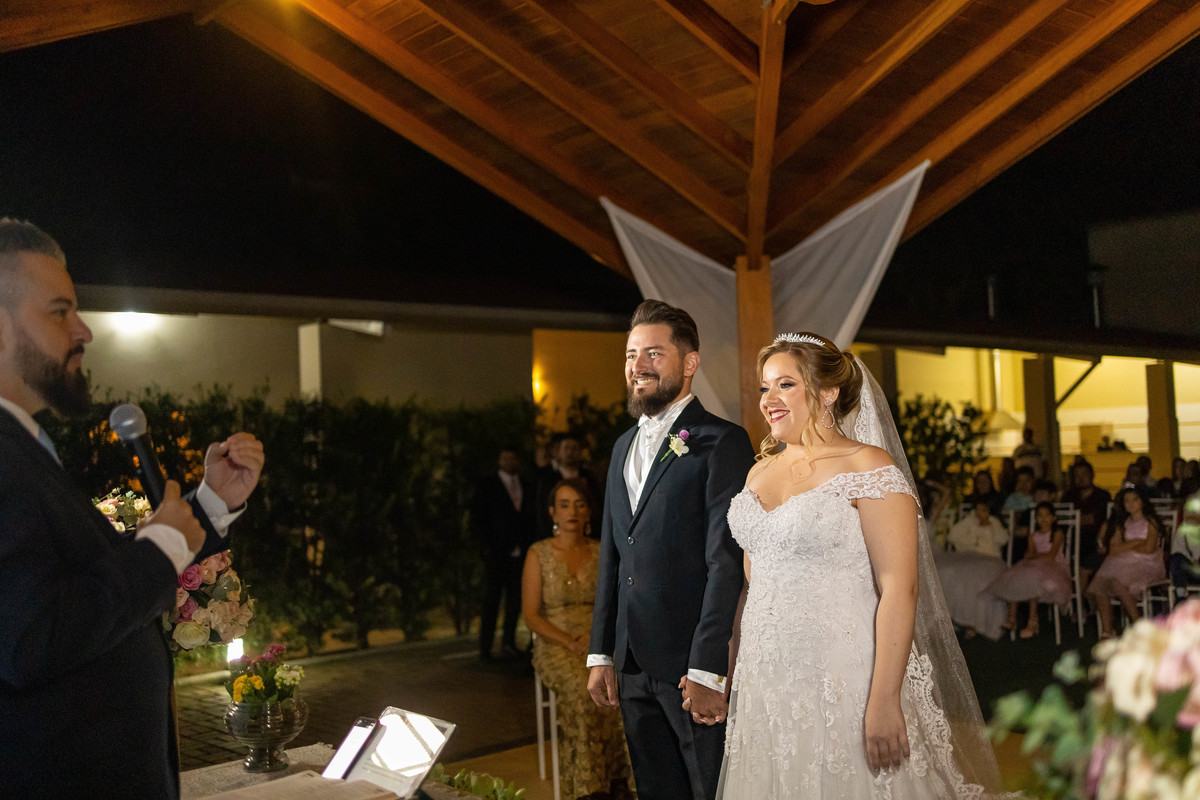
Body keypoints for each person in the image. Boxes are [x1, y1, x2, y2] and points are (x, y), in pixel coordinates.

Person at [0, 218, 265, 798]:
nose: (84, 331)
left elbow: (86, 582)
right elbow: (31, 637)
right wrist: (161, 546)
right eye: (58, 312)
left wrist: (210, 503)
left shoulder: (25, 449)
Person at [718, 332, 1001, 798]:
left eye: (786, 384)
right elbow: (756, 582)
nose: (769, 399)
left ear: (827, 392)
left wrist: (885, 698)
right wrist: (727, 662)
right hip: (767, 674)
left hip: (843, 673)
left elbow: (899, 588)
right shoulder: (758, 471)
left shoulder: (866, 465)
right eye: (765, 387)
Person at [587, 299, 754, 800]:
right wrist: (601, 651)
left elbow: (725, 564)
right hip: (631, 661)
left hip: (689, 668)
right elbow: (613, 557)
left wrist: (708, 667)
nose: (638, 366)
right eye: (631, 354)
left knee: (708, 788)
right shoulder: (620, 447)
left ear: (690, 362)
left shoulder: (722, 442)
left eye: (654, 353)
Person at [523, 479, 632, 800]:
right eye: (565, 504)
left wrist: (599, 639)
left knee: (626, 688)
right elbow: (531, 615)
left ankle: (624, 782)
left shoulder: (603, 550)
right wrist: (569, 640)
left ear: (590, 511)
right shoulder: (538, 553)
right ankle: (590, 790)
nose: (573, 511)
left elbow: (617, 602)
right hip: (555, 643)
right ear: (553, 512)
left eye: (580, 504)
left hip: (601, 640)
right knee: (581, 692)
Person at [473, 447, 534, 660]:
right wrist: (486, 549)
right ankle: (485, 647)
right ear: (499, 460)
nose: (509, 461)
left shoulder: (526, 484)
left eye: (513, 457)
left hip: (520, 553)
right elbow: (479, 518)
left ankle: (508, 642)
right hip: (497, 553)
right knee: (491, 600)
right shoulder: (488, 484)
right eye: (505, 458)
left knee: (515, 600)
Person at [1086, 485, 1166, 639]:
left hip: (1148, 563)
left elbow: (1149, 549)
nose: (1130, 503)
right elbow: (1114, 550)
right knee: (1100, 584)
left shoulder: (1151, 522)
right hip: (1123, 562)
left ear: (1142, 501)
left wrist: (1126, 546)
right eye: (1126, 501)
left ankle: (1138, 624)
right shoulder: (1121, 523)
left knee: (1116, 582)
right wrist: (1137, 542)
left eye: (1135, 499)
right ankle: (1108, 630)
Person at [987, 502, 1072, 638]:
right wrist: (1032, 556)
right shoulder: (1033, 535)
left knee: (1032, 579)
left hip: (1053, 567)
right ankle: (1012, 617)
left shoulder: (1057, 533)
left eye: (1047, 515)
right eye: (1040, 516)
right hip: (1036, 566)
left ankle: (1032, 621)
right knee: (1018, 577)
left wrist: (1033, 556)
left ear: (1053, 517)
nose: (1043, 519)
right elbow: (1029, 553)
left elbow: (1051, 555)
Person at [936, 499, 1011, 640]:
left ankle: (974, 622)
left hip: (990, 558)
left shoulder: (994, 522)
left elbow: (1003, 539)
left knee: (974, 577)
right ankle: (950, 619)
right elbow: (954, 536)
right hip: (967, 556)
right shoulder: (969, 521)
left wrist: (989, 524)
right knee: (947, 570)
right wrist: (972, 535)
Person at [1062, 460, 1112, 589]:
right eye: (1077, 475)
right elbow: (1063, 517)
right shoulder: (1069, 496)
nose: (1081, 478)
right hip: (1071, 542)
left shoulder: (1102, 495)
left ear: (1092, 475)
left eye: (1084, 474)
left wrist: (1078, 519)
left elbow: (1097, 519)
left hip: (1094, 542)